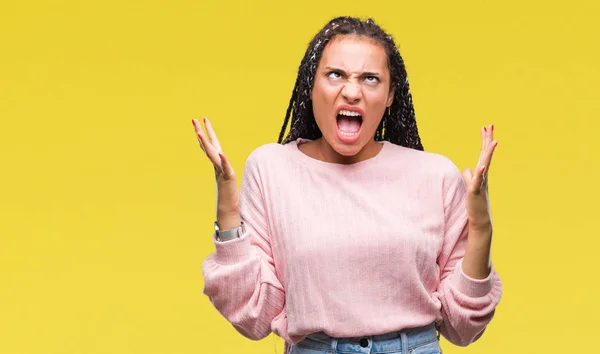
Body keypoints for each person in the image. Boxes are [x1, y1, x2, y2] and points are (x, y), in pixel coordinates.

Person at [194, 16, 502, 354]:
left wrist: (482, 229)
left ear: (389, 96)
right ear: (310, 86)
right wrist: (227, 209)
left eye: (370, 78)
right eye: (335, 75)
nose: (351, 92)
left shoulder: (435, 175)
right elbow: (254, 315)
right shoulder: (272, 169)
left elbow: (462, 327)